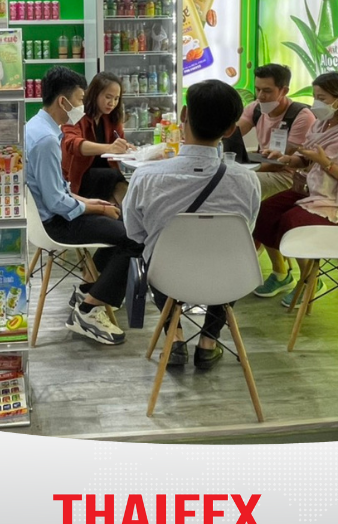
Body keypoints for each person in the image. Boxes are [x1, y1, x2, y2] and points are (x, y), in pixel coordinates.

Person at [123, 80, 261, 369]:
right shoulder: (247, 180)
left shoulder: (145, 177)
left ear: (184, 115)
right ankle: (209, 342)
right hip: (228, 279)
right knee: (226, 253)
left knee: (157, 250)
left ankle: (174, 339)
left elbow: (134, 232)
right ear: (230, 130)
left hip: (167, 278)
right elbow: (244, 234)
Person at [25, 67, 144, 346]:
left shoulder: (36, 127)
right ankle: (89, 309)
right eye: (80, 99)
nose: (82, 105)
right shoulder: (46, 140)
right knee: (135, 237)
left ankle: (93, 289)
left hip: (53, 215)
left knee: (122, 226)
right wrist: (98, 209)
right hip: (56, 224)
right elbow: (56, 202)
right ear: (63, 101)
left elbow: (56, 190)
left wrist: (88, 201)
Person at [252, 71, 338, 307]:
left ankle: (310, 281)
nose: (315, 103)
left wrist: (326, 163)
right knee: (264, 213)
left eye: (321, 98)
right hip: (311, 190)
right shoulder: (321, 125)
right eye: (314, 97)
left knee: (292, 222)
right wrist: (285, 159)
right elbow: (307, 160)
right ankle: (281, 274)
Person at [234, 63, 316, 298]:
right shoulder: (255, 108)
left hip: (292, 178)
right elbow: (233, 134)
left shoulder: (301, 117)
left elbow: (283, 163)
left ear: (284, 90)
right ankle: (277, 270)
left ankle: (293, 274)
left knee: (244, 188)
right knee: (242, 189)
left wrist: (246, 170)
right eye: (258, 89)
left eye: (267, 91)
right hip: (263, 170)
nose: (261, 96)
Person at [61, 71, 131, 206]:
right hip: (80, 178)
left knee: (116, 182)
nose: (112, 103)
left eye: (116, 99)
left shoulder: (112, 117)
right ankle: (132, 214)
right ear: (95, 94)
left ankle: (125, 213)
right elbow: (72, 143)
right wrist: (109, 148)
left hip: (106, 176)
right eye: (108, 97)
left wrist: (126, 147)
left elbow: (119, 140)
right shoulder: (78, 114)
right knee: (114, 178)